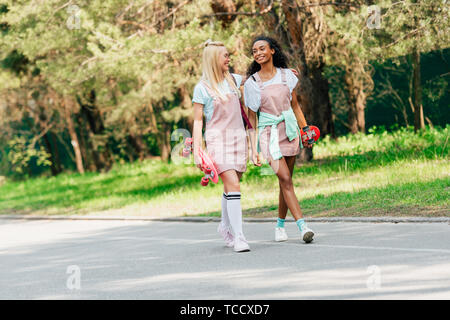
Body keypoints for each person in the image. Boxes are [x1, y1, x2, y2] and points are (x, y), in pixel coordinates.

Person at [244, 35, 316, 243]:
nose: (257, 53)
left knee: (286, 182)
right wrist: (253, 148)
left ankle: (280, 226)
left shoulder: (287, 76)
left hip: (290, 130)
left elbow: (294, 106)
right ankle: (303, 227)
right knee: (285, 179)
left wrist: (306, 130)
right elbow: (251, 118)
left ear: (272, 50)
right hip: (268, 134)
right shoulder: (252, 83)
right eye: (254, 51)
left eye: (261, 49)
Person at [192, 40, 251, 252]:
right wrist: (198, 152)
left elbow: (257, 77)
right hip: (218, 143)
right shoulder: (202, 88)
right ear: (213, 60)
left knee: (231, 186)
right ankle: (240, 237)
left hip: (238, 139)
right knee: (234, 185)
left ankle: (225, 226)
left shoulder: (233, 80)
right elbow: (198, 121)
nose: (229, 59)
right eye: (225, 56)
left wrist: (281, 71)